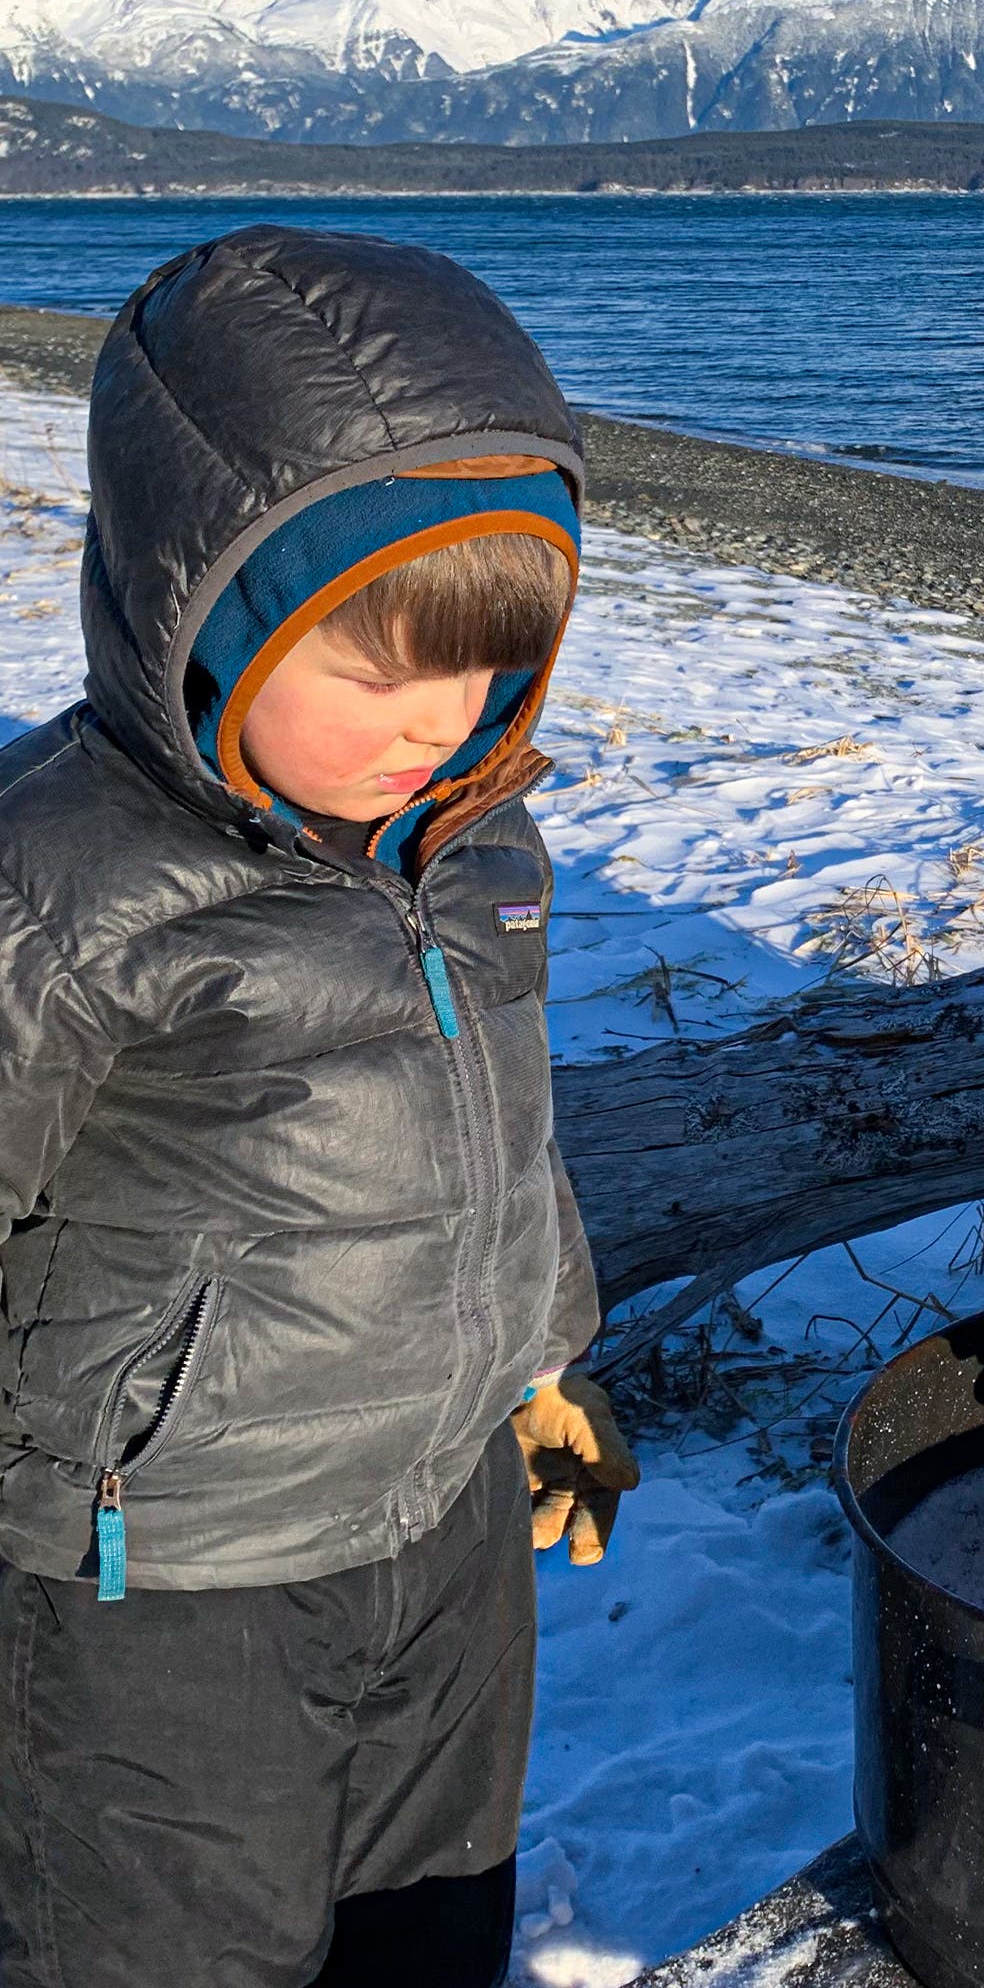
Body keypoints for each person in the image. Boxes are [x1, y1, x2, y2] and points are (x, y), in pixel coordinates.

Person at [0, 227, 641, 1988]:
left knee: (429, 1935)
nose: (432, 729)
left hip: (441, 1540)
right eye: (372, 669)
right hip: (169, 1593)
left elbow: (500, 1131)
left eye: (486, 672)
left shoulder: (479, 846)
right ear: (203, 602)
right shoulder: (63, 891)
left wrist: (534, 1364)